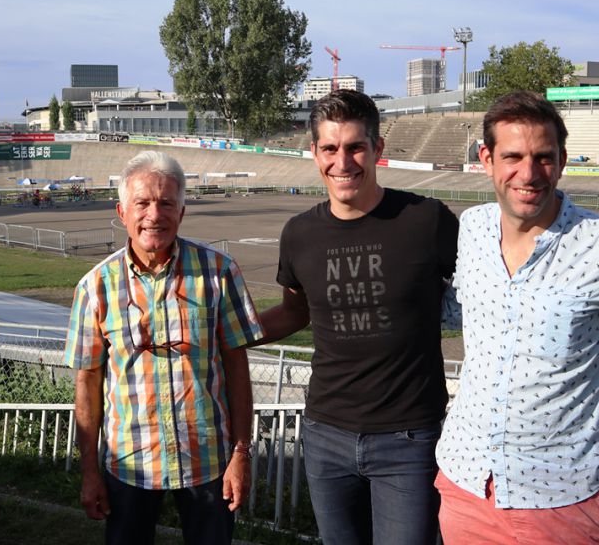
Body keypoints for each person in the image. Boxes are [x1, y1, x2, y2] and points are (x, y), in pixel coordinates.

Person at [436, 90, 599, 544]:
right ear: (486, 158)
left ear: (562, 160)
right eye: (512, 156)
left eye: (543, 158)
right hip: (464, 486)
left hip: (565, 502)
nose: (528, 174)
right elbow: (461, 312)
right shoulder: (472, 228)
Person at [257, 89, 459, 544]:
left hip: (409, 439)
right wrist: (225, 335)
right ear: (314, 153)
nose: (342, 161)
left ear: (377, 149)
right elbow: (294, 312)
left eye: (355, 147)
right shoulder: (300, 234)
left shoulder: (427, 221)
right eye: (329, 148)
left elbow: (487, 292)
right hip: (326, 433)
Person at [64, 150, 263, 545]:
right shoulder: (95, 287)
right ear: (122, 212)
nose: (154, 214)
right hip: (129, 464)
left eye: (166, 203)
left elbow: (238, 368)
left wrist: (241, 454)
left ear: (182, 212)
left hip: (207, 460)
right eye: (142, 203)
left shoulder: (220, 272)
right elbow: (87, 384)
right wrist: (90, 471)